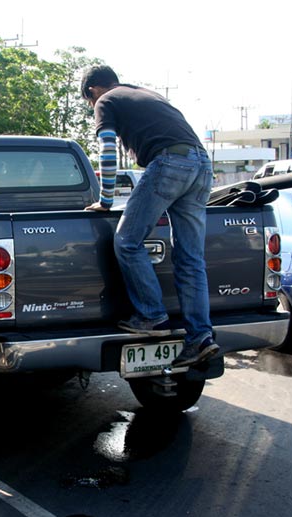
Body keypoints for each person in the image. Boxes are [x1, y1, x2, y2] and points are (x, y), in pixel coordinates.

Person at [80, 65, 219, 367]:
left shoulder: (106, 100)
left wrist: (105, 200)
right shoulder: (145, 93)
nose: (93, 107)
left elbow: (106, 149)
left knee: (127, 241)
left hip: (170, 163)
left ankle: (152, 316)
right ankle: (200, 338)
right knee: (190, 258)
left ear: (92, 90)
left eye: (89, 102)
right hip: (202, 165)